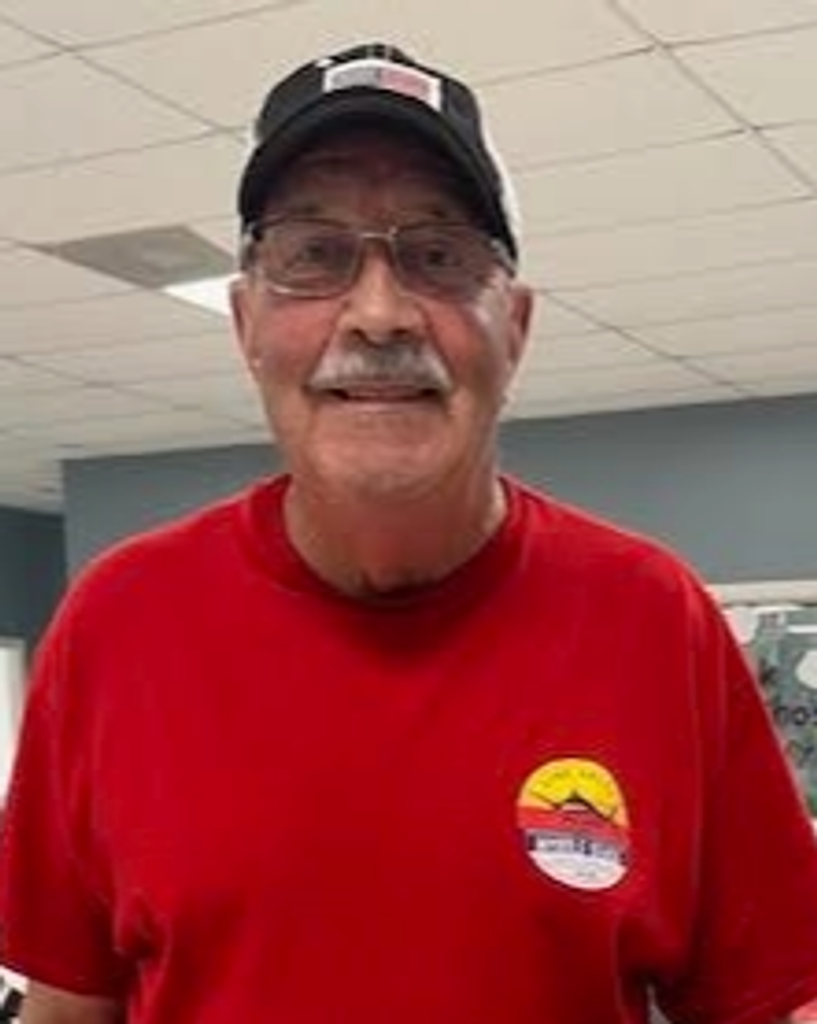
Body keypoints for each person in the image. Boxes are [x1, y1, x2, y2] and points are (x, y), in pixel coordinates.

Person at [1, 40, 816, 1024]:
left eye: (438, 255)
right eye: (314, 255)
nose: (379, 313)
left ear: (513, 328)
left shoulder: (655, 619)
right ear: (246, 322)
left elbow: (760, 1004)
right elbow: (67, 1008)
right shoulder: (118, 621)